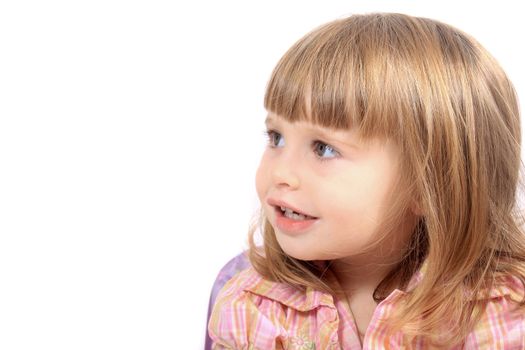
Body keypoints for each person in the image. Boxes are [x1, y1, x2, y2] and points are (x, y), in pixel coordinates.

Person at [208, 12, 525, 349]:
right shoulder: (253, 302)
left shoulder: (501, 311)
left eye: (324, 148)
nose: (281, 173)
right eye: (277, 138)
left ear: (428, 183)